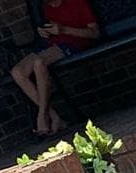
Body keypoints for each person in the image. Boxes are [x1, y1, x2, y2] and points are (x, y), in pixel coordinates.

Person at [11, 0, 101, 136]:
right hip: (51, 46)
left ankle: (42, 116)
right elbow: (50, 32)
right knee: (17, 72)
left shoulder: (77, 3)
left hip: (73, 43)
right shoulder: (46, 9)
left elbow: (94, 33)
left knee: (39, 63)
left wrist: (64, 29)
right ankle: (54, 117)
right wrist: (44, 32)